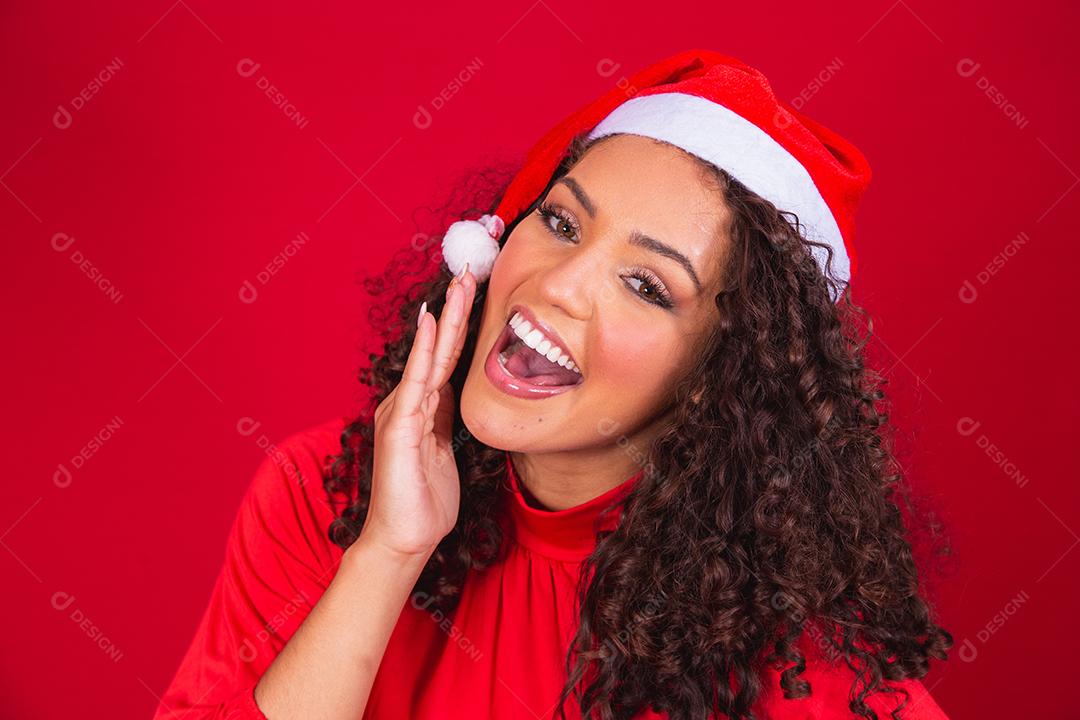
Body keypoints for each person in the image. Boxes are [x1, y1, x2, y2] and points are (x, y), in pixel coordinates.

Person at [153, 49, 954, 719]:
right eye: (563, 224)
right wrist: (386, 555)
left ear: (719, 375)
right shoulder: (324, 497)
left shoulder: (794, 671)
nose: (561, 284)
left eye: (646, 285)